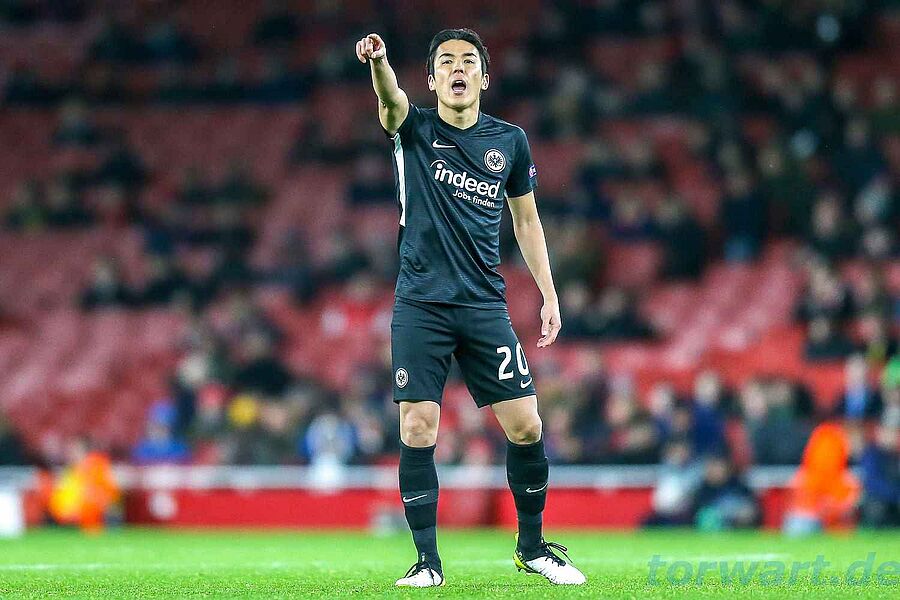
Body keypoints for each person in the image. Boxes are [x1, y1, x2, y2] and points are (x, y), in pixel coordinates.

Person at [356, 29, 585, 586]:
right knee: (418, 426)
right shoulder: (412, 128)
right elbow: (389, 99)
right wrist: (380, 62)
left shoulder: (510, 141)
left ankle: (532, 549)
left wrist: (549, 292)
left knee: (527, 426)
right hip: (421, 305)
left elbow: (526, 220)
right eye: (446, 62)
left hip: (484, 305)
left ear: (484, 77)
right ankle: (426, 563)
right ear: (431, 79)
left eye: (467, 61)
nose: (457, 69)